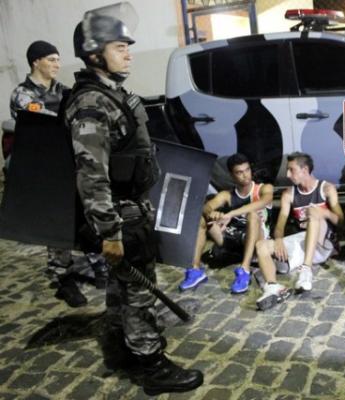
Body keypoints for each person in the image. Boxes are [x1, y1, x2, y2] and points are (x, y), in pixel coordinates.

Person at [64, 11, 203, 395]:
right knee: (139, 294)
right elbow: (91, 175)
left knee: (121, 290)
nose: (129, 55)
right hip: (121, 217)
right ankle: (152, 365)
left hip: (132, 210)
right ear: (94, 54)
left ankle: (121, 347)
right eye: (119, 48)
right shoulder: (92, 103)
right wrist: (109, 232)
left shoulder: (112, 95)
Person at [9, 40, 107, 308]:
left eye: (58, 59)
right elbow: (47, 121)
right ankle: (62, 277)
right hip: (46, 169)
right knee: (57, 221)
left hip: (71, 163)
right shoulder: (23, 95)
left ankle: (100, 265)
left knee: (88, 215)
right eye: (51, 59)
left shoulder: (64, 90)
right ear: (36, 61)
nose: (57, 64)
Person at [254, 152, 344, 311]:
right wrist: (279, 239)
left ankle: (306, 271)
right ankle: (273, 286)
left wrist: (326, 213)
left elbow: (341, 221)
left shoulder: (326, 188)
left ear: (305, 170)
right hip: (301, 244)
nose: (288, 175)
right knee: (262, 245)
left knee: (314, 213)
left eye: (291, 170)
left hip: (322, 243)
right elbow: (281, 222)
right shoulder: (289, 194)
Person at [180, 153, 273, 293]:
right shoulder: (227, 195)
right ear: (232, 175)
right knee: (202, 218)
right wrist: (211, 213)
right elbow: (207, 206)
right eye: (239, 172)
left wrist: (230, 214)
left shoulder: (264, 189)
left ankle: (244, 271)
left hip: (257, 239)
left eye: (247, 170)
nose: (245, 175)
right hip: (232, 239)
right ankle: (195, 270)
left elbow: (262, 203)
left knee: (253, 216)